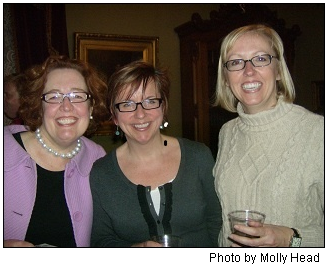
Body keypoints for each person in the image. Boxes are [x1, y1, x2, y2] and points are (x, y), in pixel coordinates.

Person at [213, 24, 324, 247]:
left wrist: (289, 239)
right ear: (225, 78)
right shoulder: (228, 133)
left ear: (279, 70)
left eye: (261, 59)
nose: (248, 70)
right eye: (235, 62)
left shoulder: (317, 132)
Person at [90, 60, 222, 247]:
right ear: (114, 115)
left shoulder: (198, 156)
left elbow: (218, 223)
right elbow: (101, 240)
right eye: (127, 104)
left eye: (150, 101)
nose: (140, 114)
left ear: (163, 107)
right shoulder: (101, 173)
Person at [4, 55, 109, 247]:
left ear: (91, 106)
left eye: (77, 96)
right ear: (39, 106)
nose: (66, 107)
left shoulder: (99, 159)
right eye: (53, 96)